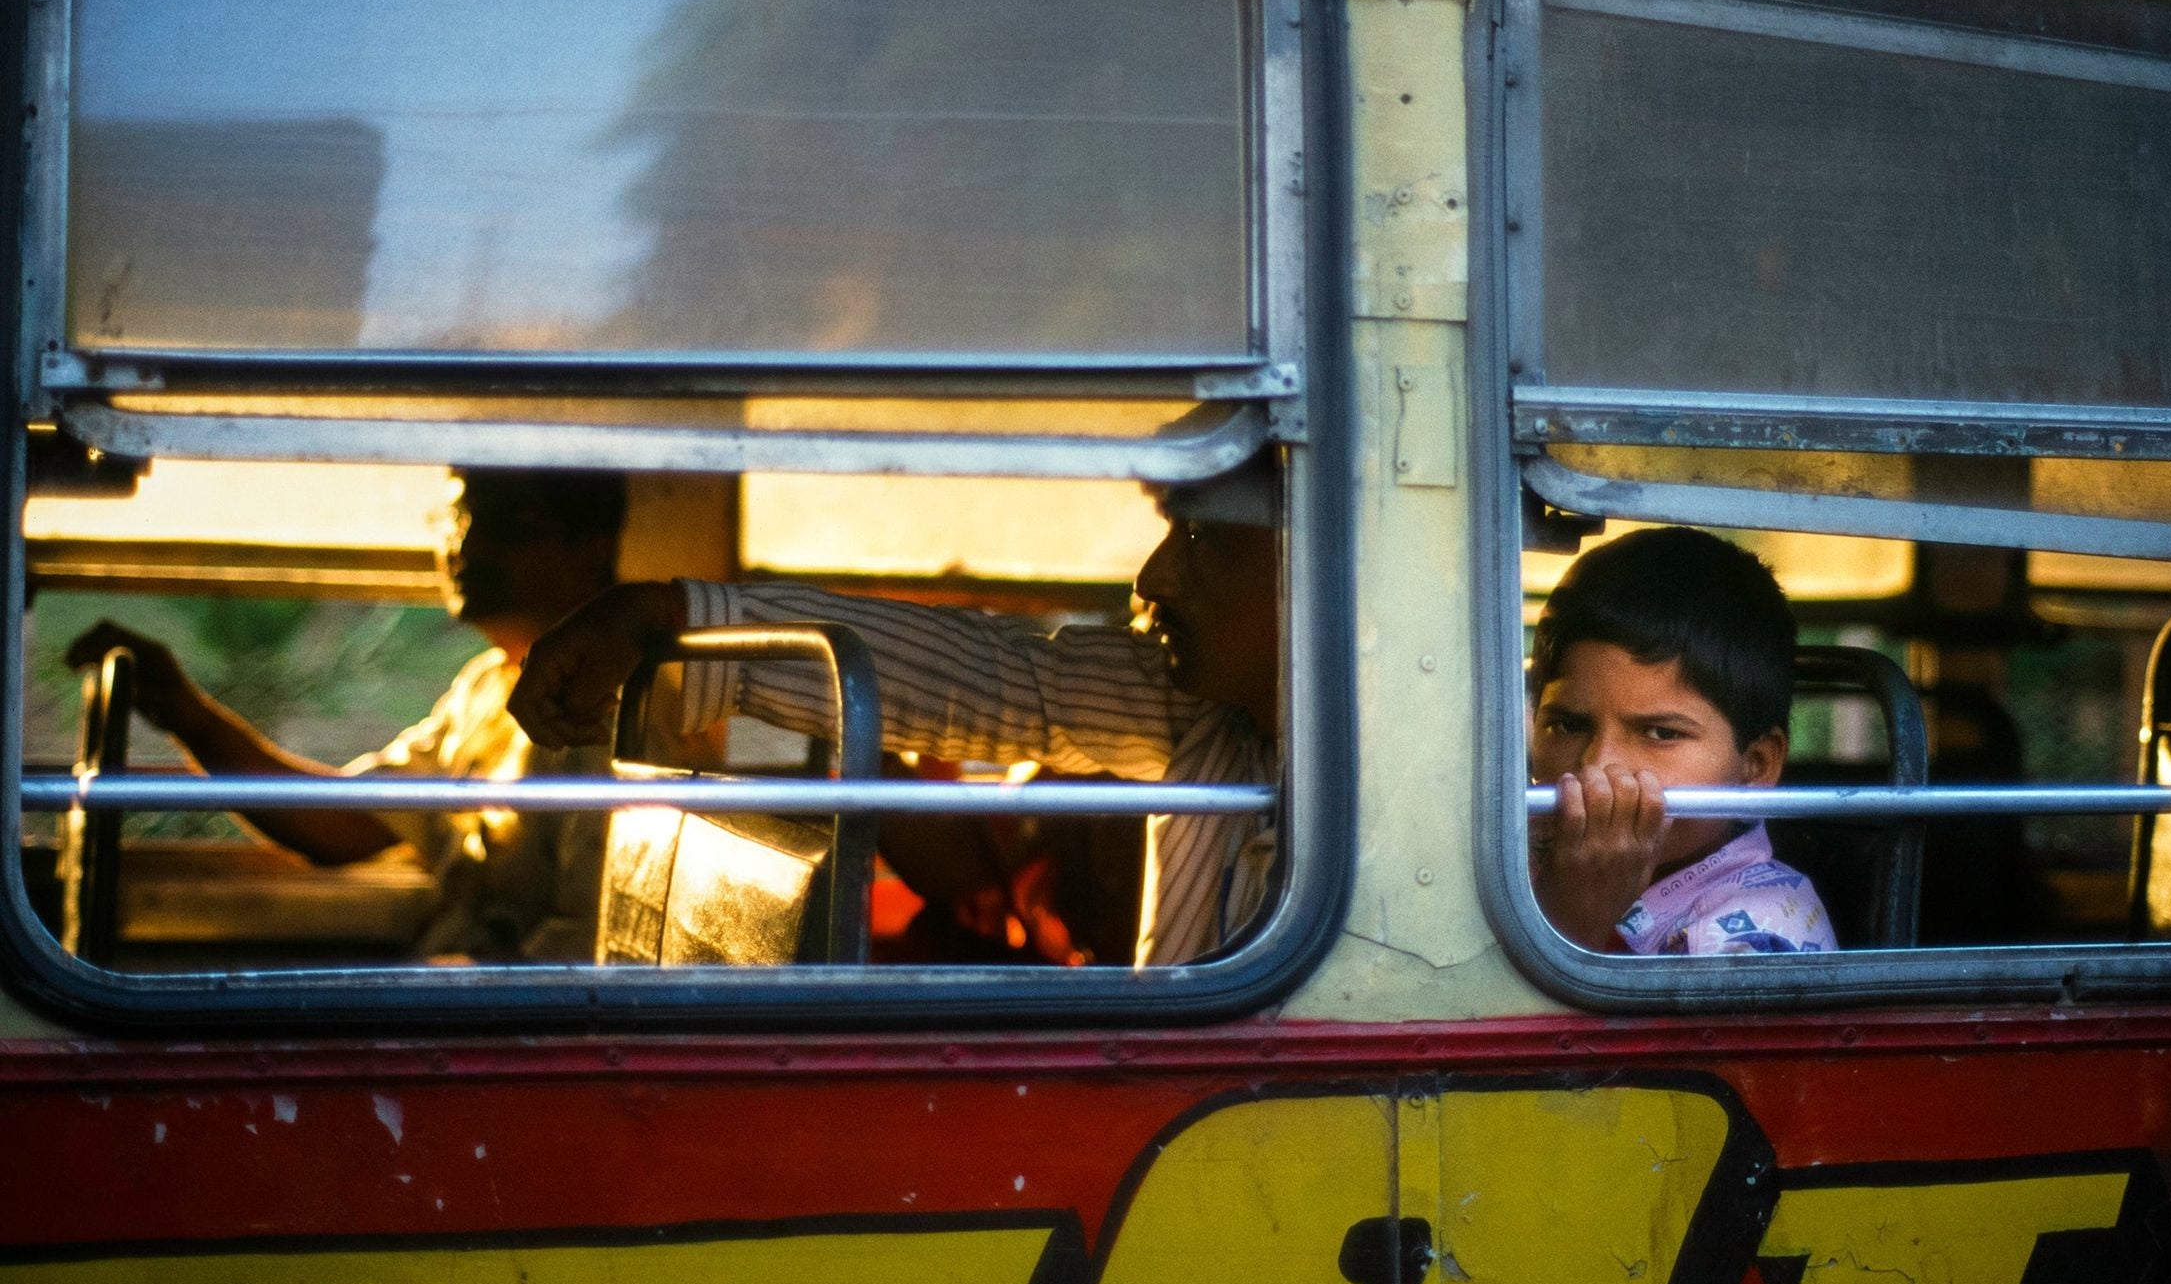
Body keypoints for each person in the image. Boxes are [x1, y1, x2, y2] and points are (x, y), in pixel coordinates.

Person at [508, 458, 1283, 967]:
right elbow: (1002, 676)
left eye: (1200, 539)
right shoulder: (1201, 714)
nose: (1153, 579)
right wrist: (667, 614)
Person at [63, 467, 645, 961]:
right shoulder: (485, 690)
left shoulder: (629, 706)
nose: (465, 546)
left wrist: (450, 996)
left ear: (590, 545)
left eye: (501, 523)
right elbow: (340, 825)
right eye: (459, 520)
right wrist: (190, 716)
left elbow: (596, 940)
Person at [1527, 525, 1837, 956]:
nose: (1597, 767)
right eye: (1567, 726)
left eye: (1660, 734)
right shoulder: (1514, 857)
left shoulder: (1757, 931)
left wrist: (1580, 917)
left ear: (1757, 765)